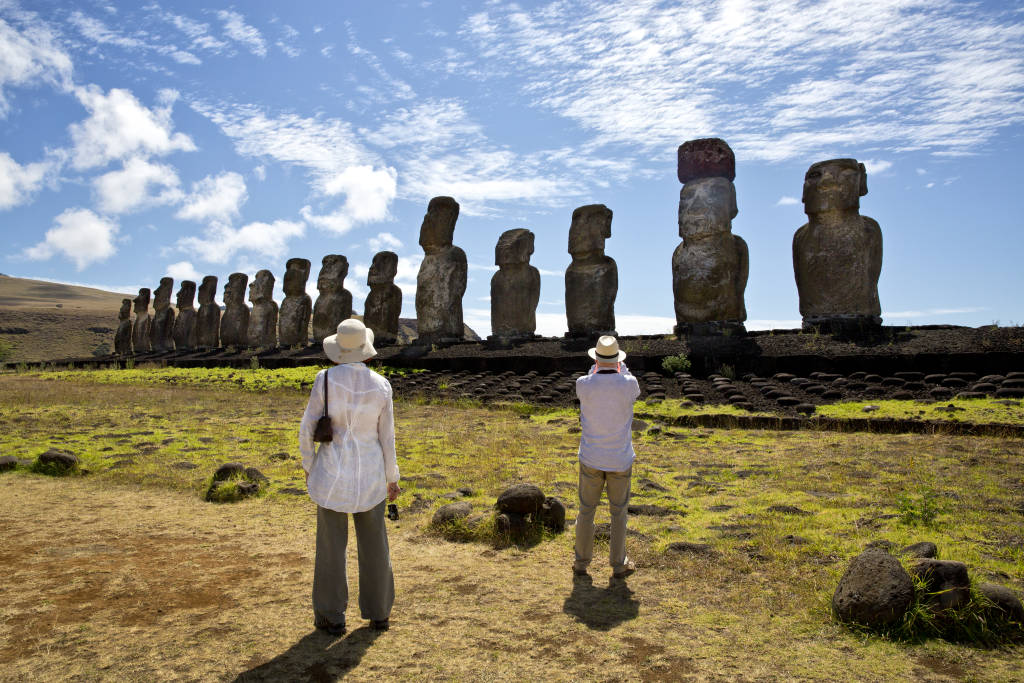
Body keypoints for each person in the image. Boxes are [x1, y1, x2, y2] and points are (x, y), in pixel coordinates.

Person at [299, 318, 401, 636]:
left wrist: (309, 465)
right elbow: (387, 437)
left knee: (330, 547)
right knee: (375, 546)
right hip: (371, 475)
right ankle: (379, 612)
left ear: (339, 350)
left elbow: (306, 429)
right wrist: (392, 476)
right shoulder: (381, 385)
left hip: (331, 474)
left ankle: (331, 615)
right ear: (366, 349)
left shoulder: (324, 380)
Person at [573, 335, 640, 579]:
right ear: (618, 361)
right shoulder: (629, 384)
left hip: (591, 457)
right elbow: (630, 384)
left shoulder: (584, 383)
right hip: (620, 459)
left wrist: (598, 367)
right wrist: (619, 368)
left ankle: (581, 562)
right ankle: (618, 564)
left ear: (596, 359)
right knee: (618, 513)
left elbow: (591, 375)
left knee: (586, 510)